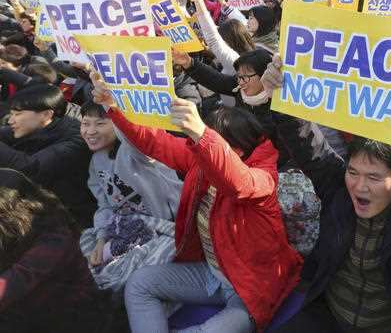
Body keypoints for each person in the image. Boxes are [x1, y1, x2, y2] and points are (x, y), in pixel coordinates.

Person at [263, 55, 391, 333]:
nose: (359, 186)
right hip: (328, 317)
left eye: (374, 177)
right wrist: (282, 97)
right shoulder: (338, 189)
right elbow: (309, 146)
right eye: (353, 172)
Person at [91, 75, 303, 333]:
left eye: (206, 141)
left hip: (252, 287)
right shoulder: (199, 160)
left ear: (239, 149)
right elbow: (155, 142)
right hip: (211, 273)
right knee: (140, 284)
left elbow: (238, 183)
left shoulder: (263, 179)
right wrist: (113, 105)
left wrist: (202, 135)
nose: (197, 147)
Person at [79, 102, 183, 292]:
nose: (90, 131)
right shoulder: (96, 161)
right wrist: (102, 238)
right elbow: (105, 206)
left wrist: (112, 103)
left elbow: (135, 136)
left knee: (136, 282)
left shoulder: (138, 152)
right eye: (85, 123)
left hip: (167, 228)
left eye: (100, 123)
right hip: (130, 231)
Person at [0, 168, 108, 332]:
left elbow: (16, 280)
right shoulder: (13, 240)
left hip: (78, 320)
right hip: (33, 317)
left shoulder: (54, 239)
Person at [0, 84, 95, 227]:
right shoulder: (42, 125)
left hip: (74, 219)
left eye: (17, 114)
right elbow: (6, 133)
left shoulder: (76, 140)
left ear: (46, 114)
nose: (11, 120)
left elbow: (32, 168)